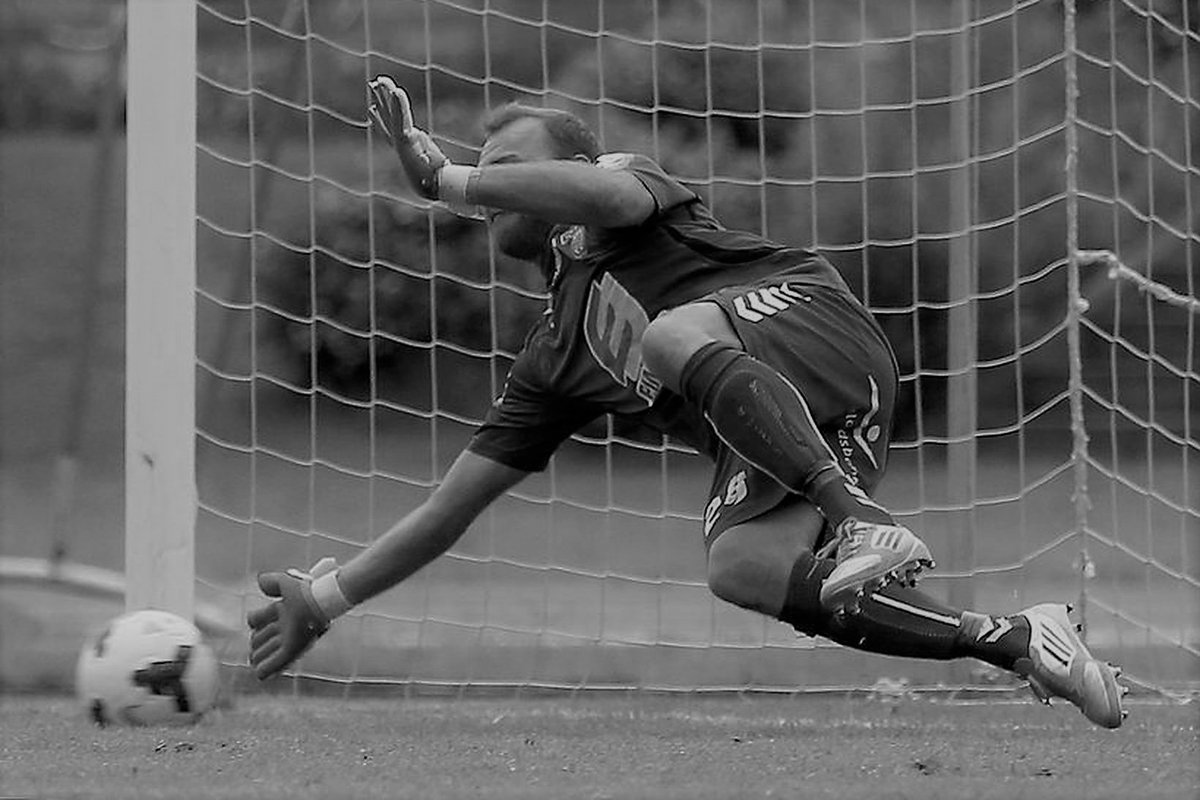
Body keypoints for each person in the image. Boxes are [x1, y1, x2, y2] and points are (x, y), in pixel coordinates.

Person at [247, 76, 1126, 729]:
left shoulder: (613, 194)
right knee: (741, 567)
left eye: (513, 166)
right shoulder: (551, 360)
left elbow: (605, 193)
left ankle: (859, 521)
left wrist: (450, 179)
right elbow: (448, 510)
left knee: (670, 337)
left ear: (569, 167)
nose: (495, 179)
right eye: (489, 168)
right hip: (793, 425)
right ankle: (1015, 639)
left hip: (813, 321)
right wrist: (324, 601)